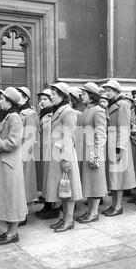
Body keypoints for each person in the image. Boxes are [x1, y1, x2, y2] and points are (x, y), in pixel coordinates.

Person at [0, 87, 28, 245]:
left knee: (12, 198)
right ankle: (10, 231)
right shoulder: (8, 116)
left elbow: (14, 142)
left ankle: (13, 233)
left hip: (10, 164)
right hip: (5, 163)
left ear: (10, 101)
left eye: (2, 99)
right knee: (9, 197)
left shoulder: (14, 117)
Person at [44, 82, 83, 232]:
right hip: (57, 155)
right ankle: (65, 218)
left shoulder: (68, 112)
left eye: (54, 94)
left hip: (64, 155)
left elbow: (69, 137)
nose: (51, 96)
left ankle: (68, 220)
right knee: (63, 189)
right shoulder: (58, 110)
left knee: (69, 188)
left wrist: (66, 159)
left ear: (62, 95)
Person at [101, 79, 136, 217]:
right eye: (106, 91)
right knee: (113, 177)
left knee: (118, 177)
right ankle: (114, 204)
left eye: (109, 91)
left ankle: (118, 206)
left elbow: (124, 127)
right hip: (111, 143)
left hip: (118, 145)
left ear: (116, 91)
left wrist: (119, 147)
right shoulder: (112, 105)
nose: (107, 93)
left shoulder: (123, 105)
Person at [76, 82, 107, 224]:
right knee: (88, 182)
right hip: (84, 150)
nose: (81, 96)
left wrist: (95, 154)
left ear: (92, 96)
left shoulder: (98, 110)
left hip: (93, 153)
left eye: (84, 94)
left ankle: (94, 213)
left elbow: (100, 135)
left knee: (95, 182)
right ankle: (90, 211)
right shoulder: (86, 110)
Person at [35, 89, 62, 220]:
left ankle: (55, 208)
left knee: (52, 179)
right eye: (40, 100)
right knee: (46, 179)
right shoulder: (41, 114)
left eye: (44, 99)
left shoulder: (54, 114)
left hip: (51, 151)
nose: (41, 102)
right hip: (42, 150)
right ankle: (47, 205)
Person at [17, 87, 39, 206]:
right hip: (17, 150)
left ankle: (23, 213)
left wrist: (24, 155)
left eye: (19, 95)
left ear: (26, 98)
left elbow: (30, 136)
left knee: (25, 181)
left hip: (25, 151)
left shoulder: (30, 113)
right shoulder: (17, 111)